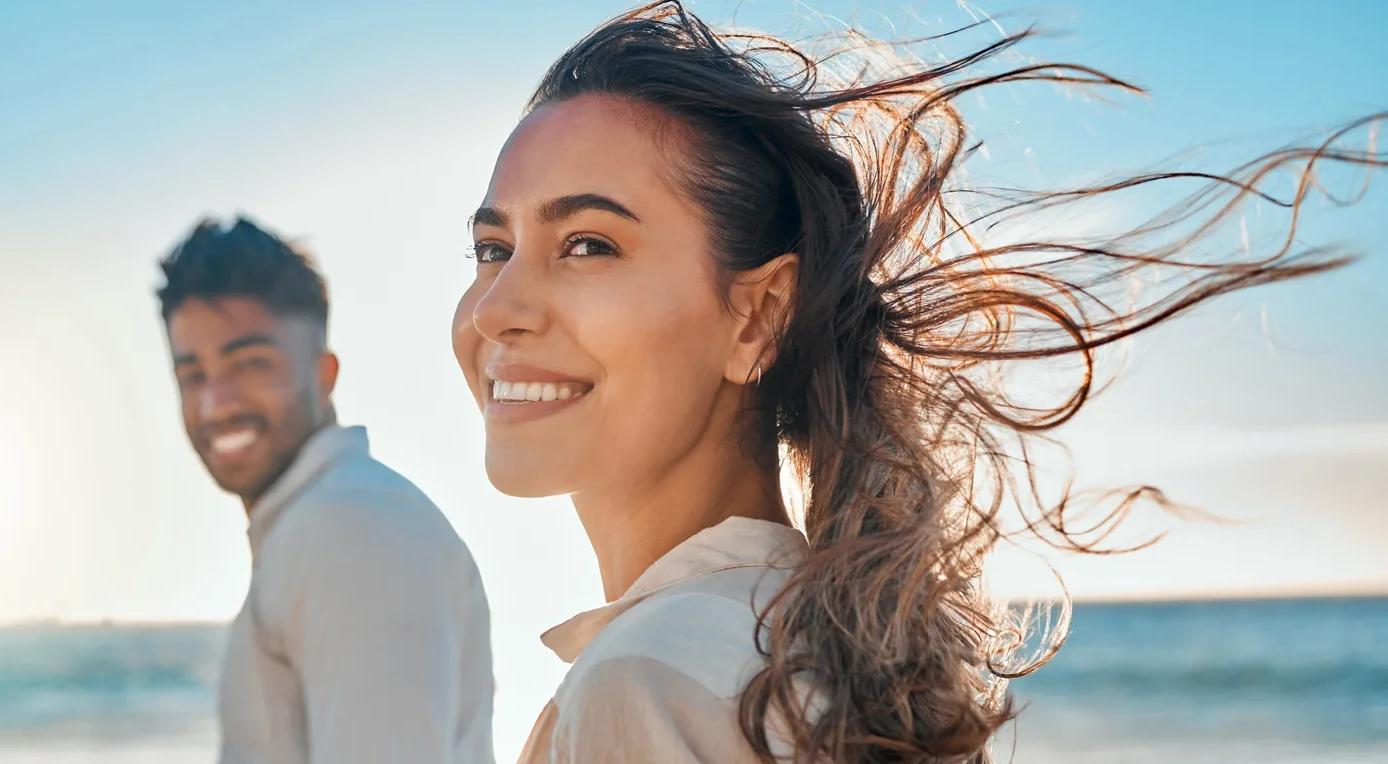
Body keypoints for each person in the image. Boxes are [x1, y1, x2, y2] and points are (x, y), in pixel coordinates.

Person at [449, 2, 1385, 762]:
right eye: (492, 248)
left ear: (760, 314)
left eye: (587, 244)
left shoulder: (654, 679)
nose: (496, 308)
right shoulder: (808, 645)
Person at [160, 216, 494, 764]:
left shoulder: (350, 528)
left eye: (250, 365)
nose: (215, 403)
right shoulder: (331, 520)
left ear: (324, 374)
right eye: (192, 374)